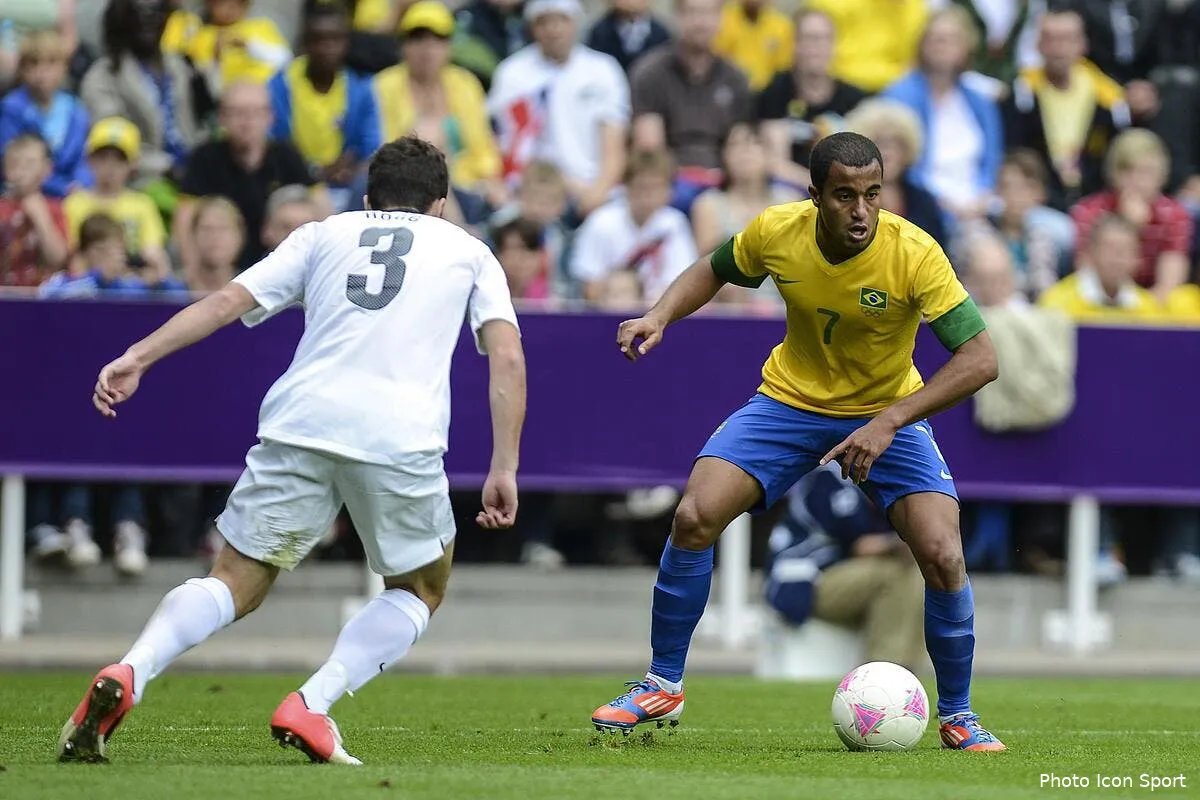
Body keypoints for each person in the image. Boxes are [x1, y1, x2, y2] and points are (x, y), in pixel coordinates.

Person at [57, 136, 527, 766]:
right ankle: (313, 702)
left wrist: (136, 357)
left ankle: (132, 670)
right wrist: (504, 465)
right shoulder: (469, 251)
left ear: (367, 198)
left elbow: (226, 301)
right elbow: (507, 355)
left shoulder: (323, 232)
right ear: (441, 205)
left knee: (234, 580)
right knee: (421, 586)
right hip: (398, 435)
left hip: (300, 421)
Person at [590, 131, 1006, 752]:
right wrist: (659, 314)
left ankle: (958, 716)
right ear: (814, 196)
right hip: (789, 403)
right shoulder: (777, 231)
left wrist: (890, 420)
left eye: (872, 194)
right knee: (694, 515)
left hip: (886, 411)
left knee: (944, 553)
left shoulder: (915, 253)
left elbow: (980, 359)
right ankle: (662, 682)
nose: (861, 211)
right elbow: (712, 267)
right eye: (844, 196)